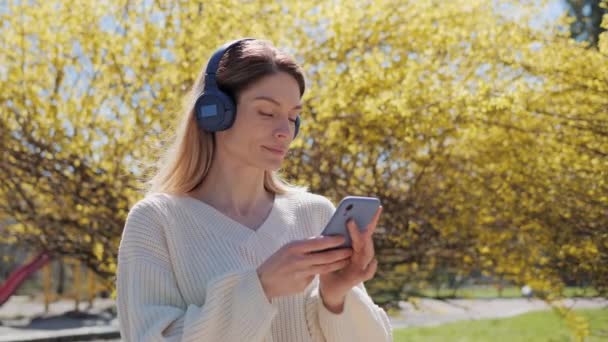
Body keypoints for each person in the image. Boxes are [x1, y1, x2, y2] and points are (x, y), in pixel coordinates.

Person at [116, 38, 392, 342]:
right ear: (216, 112)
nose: (284, 132)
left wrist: (336, 298)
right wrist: (259, 288)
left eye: (292, 116)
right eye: (266, 112)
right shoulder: (157, 222)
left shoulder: (315, 214)